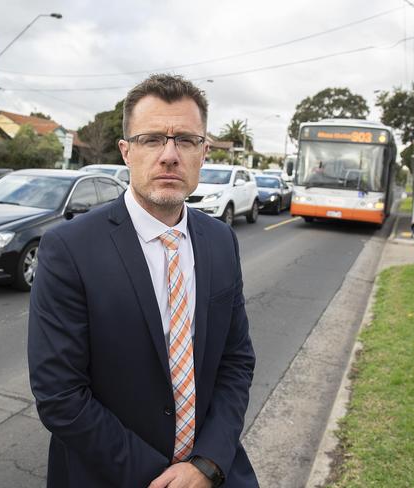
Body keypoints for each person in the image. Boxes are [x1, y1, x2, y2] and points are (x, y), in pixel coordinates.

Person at [28, 74, 258, 487]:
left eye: (186, 140)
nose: (170, 155)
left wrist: (207, 464)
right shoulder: (69, 248)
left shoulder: (221, 240)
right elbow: (60, 395)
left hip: (214, 471)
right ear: (126, 151)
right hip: (110, 475)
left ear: (204, 152)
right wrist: (167, 479)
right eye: (152, 139)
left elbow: (236, 362)